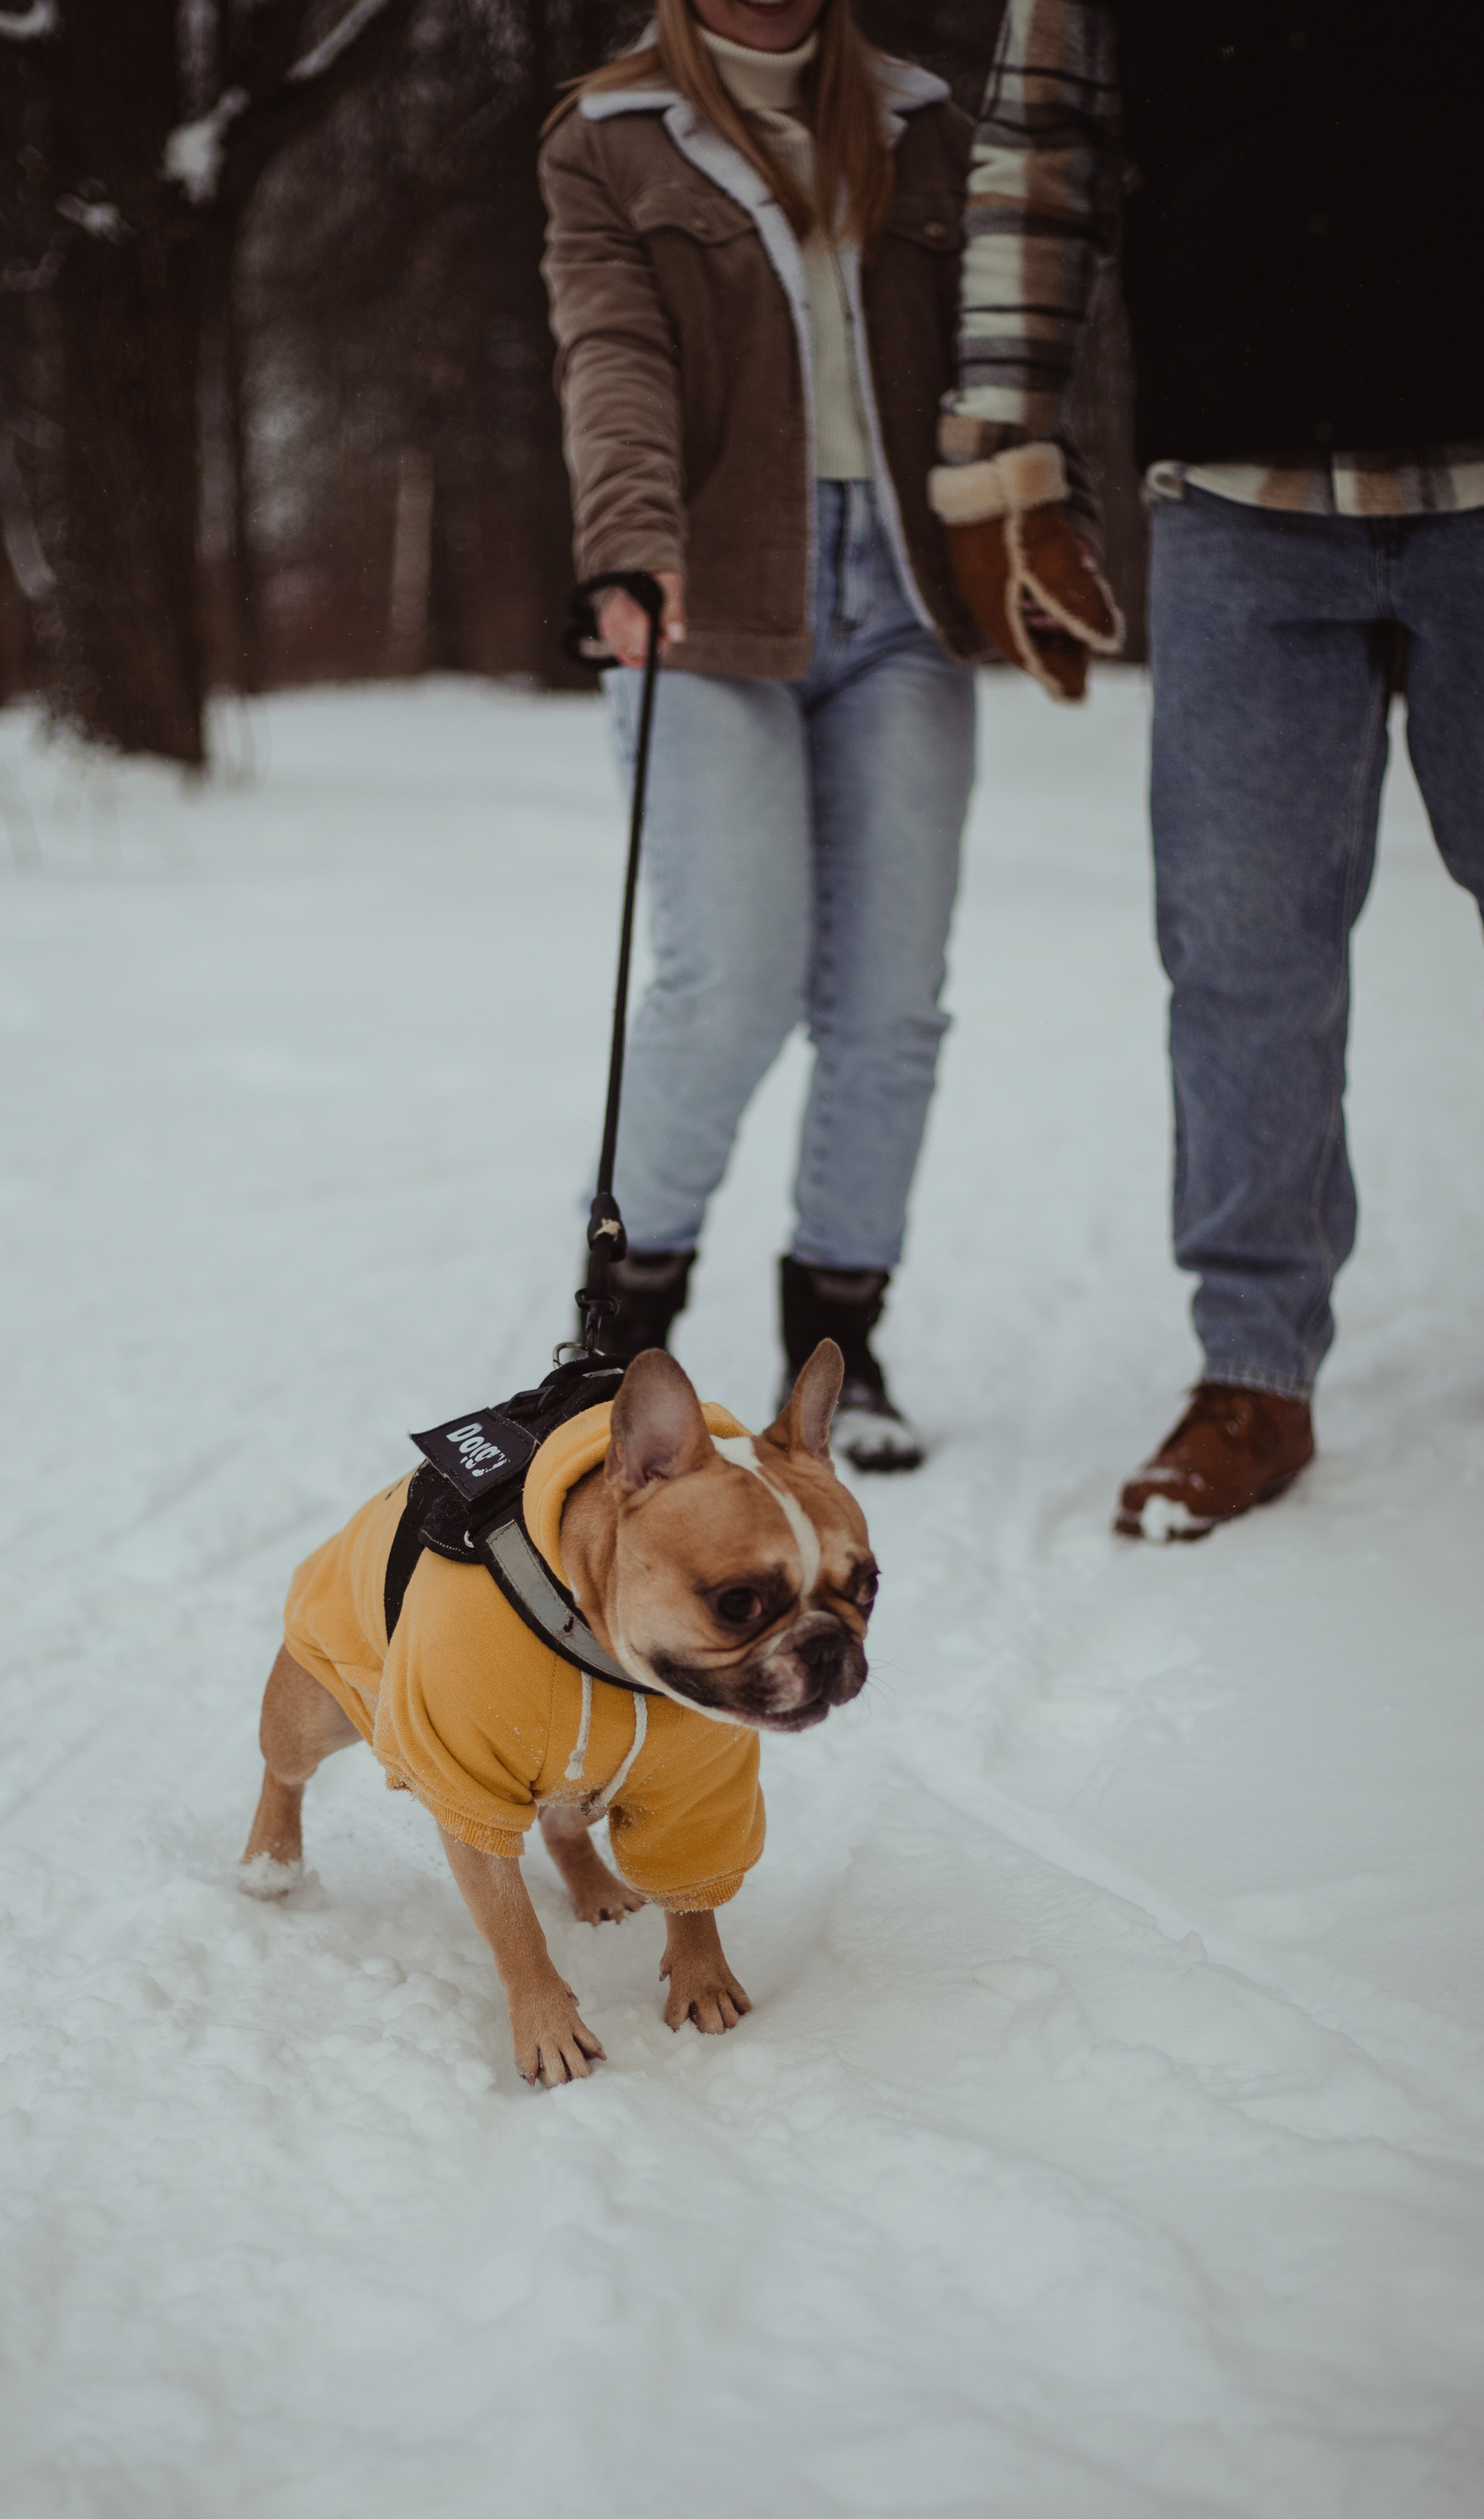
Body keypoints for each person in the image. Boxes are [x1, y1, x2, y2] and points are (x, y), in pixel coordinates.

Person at [931, 0, 1484, 1537]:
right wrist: (1002, 448)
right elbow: (1035, 161)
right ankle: (1250, 1367)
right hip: (1238, 492)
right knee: (1237, 951)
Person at [539, 0, 982, 1471]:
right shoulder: (610, 136)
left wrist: (1044, 534)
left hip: (908, 602)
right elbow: (612, 355)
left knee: (891, 1000)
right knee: (729, 974)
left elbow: (1001, 357)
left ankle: (839, 1355)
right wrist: (627, 544)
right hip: (706, 595)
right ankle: (618, 1335)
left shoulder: (924, 122)